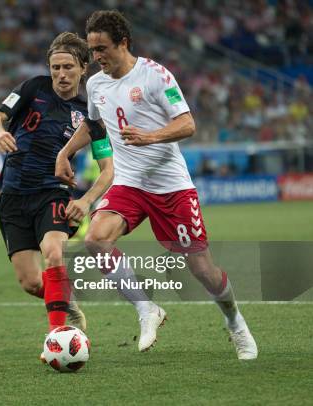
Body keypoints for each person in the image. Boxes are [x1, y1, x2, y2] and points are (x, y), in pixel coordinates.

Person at [56, 10, 257, 360]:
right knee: (95, 239)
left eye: (102, 48)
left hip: (170, 186)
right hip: (130, 183)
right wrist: (65, 153)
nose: (96, 57)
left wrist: (151, 137)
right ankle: (146, 309)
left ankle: (235, 322)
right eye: (92, 50)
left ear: (123, 43)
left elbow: (187, 124)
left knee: (203, 270)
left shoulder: (155, 76)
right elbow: (92, 126)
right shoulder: (96, 84)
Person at [0, 32, 113, 337]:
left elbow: (108, 170)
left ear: (83, 67)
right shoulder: (33, 88)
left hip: (52, 193)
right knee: (30, 283)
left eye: (68, 67)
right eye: (55, 67)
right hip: (13, 196)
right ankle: (64, 301)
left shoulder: (90, 111)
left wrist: (85, 201)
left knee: (54, 253)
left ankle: (56, 338)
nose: (60, 74)